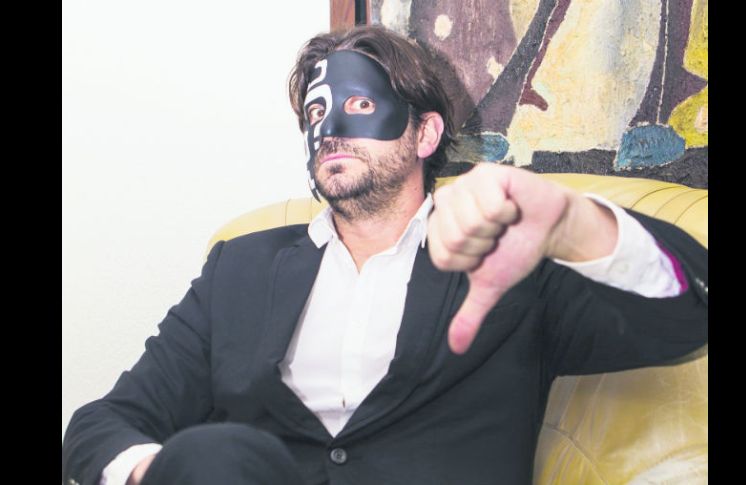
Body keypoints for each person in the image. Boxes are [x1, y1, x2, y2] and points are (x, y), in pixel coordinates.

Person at [62, 25, 708, 485]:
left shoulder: (507, 258)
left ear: (425, 133)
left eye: (360, 104)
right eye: (316, 111)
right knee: (214, 454)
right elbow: (104, 422)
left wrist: (573, 221)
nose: (330, 129)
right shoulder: (240, 267)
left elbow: (687, 317)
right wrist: (164, 470)